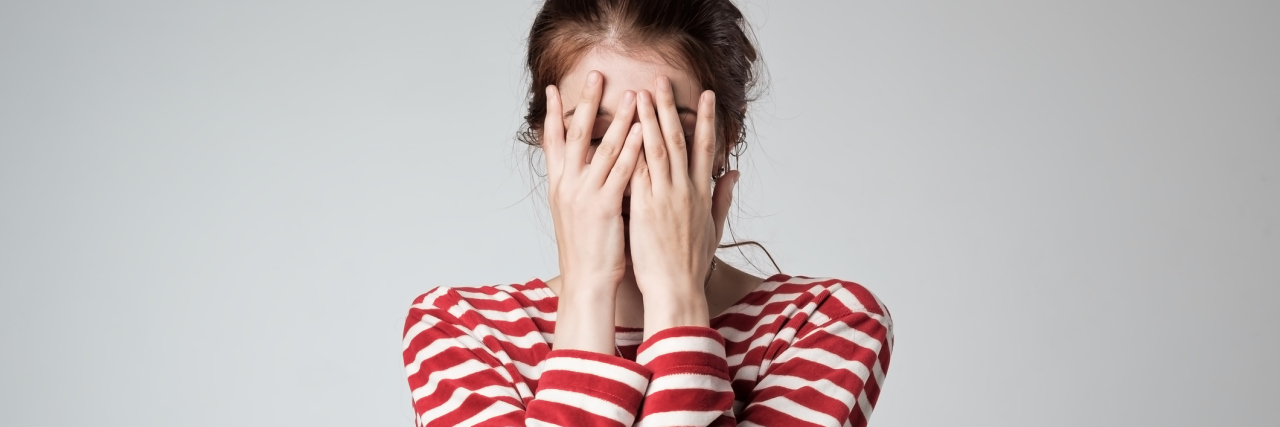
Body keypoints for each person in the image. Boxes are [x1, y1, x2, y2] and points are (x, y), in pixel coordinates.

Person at [401, 1, 893, 425]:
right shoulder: (460, 332)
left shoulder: (824, 325)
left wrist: (676, 298)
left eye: (666, 134)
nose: (633, 169)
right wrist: (588, 290)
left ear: (724, 139)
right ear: (545, 140)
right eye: (597, 137)